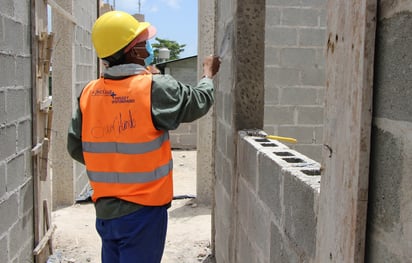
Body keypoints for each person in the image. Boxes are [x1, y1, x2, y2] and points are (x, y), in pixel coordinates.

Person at [66, 10, 220, 263]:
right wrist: (207, 75)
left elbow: (75, 147)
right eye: (142, 42)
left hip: (105, 211)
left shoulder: (89, 93)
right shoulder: (154, 87)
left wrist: (113, 164)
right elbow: (199, 101)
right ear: (134, 51)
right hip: (143, 211)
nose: (147, 47)